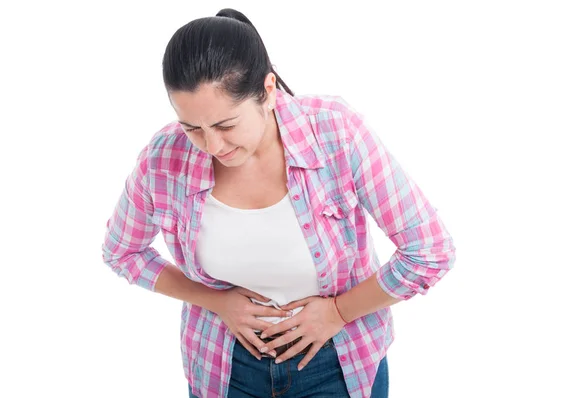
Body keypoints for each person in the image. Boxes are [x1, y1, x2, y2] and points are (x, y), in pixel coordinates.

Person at [101, 7, 456, 398]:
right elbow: (123, 252)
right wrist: (214, 301)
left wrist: (339, 312)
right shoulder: (164, 157)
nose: (213, 146)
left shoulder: (335, 131)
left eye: (226, 125)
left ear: (267, 91)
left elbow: (429, 251)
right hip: (223, 366)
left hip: (336, 365)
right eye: (193, 128)